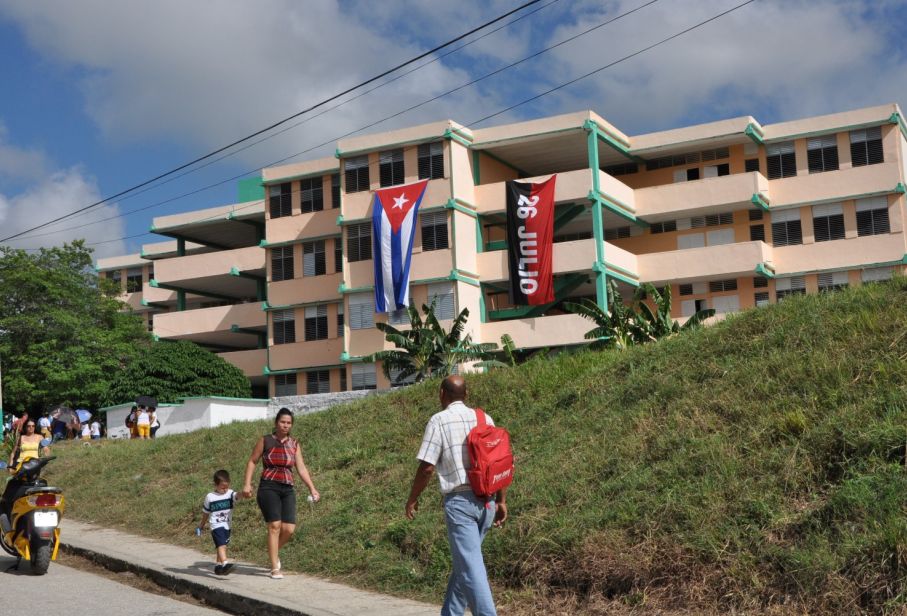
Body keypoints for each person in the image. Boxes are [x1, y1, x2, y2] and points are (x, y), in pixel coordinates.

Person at [405, 375, 508, 616]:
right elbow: (498, 461)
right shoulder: (485, 418)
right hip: (488, 503)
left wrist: (412, 498)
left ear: (442, 393)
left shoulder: (439, 421)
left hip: (461, 503)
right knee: (466, 564)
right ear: (467, 394)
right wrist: (501, 500)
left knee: (472, 569)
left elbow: (427, 467)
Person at [242, 408, 320, 579]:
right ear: (276, 422)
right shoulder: (266, 440)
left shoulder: (294, 444)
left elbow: (301, 468)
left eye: (288, 423)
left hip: (287, 487)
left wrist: (312, 488)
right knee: (275, 526)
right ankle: (274, 567)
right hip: (268, 486)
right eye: (282, 422)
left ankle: (272, 550)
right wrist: (247, 484)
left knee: (289, 529)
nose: (285, 425)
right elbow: (252, 461)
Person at [197, 469, 245, 575]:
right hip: (215, 525)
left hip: (227, 525)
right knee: (221, 545)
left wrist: (244, 493)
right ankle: (225, 563)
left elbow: (237, 495)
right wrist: (201, 525)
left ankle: (218, 567)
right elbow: (206, 513)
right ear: (215, 484)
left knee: (222, 545)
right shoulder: (210, 497)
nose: (225, 489)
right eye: (222, 487)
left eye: (226, 487)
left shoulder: (230, 494)